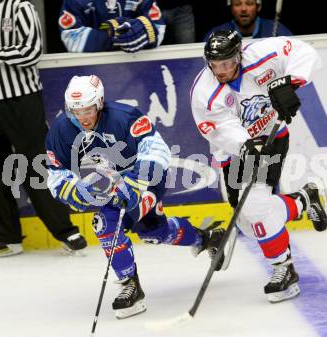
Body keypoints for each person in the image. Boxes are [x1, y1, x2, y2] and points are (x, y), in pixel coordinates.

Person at [45, 74, 228, 319]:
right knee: (154, 233)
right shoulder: (61, 130)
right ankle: (206, 238)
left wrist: (134, 184)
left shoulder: (125, 117)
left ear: (99, 103)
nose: (82, 117)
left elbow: (158, 151)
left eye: (87, 110)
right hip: (113, 183)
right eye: (76, 111)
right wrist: (77, 192)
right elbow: (57, 175)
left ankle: (130, 286)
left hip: (147, 180)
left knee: (106, 222)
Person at [190, 30, 327, 303]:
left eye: (227, 63)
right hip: (232, 152)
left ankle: (283, 268)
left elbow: (304, 51)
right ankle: (305, 199)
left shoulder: (262, 54)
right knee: (245, 219)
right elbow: (217, 129)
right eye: (215, 65)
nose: (221, 70)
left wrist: (289, 82)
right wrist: (244, 143)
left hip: (272, 138)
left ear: (239, 55)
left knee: (254, 206)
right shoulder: (204, 92)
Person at [0, 0, 87, 259]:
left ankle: (65, 231)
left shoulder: (20, 8)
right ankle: (6, 236)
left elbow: (32, 52)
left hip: (23, 100)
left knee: (36, 166)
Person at [58, 0, 165, 53]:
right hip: (90, 71)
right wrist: (115, 34)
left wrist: (146, 31)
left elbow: (157, 27)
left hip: (136, 69)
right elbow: (72, 39)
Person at [205, 0, 292, 41]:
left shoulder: (278, 30)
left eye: (249, 3)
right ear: (231, 8)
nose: (243, 9)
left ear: (258, 7)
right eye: (237, 4)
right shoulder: (216, 34)